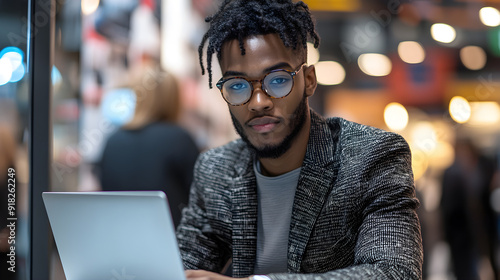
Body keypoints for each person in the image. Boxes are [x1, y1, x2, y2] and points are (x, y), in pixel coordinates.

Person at [177, 1, 423, 279]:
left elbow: (394, 272)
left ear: (308, 80)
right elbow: (181, 268)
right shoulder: (215, 170)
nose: (258, 102)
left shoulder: (372, 158)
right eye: (237, 85)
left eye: (278, 80)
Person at [99, 68, 199, 227]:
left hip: (120, 235)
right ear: (173, 98)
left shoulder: (112, 140)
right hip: (171, 241)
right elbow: (198, 198)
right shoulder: (179, 139)